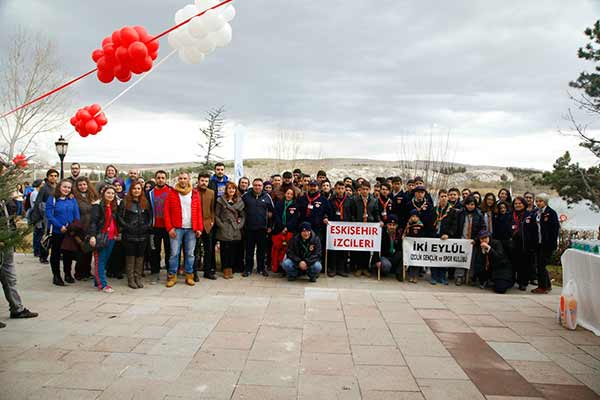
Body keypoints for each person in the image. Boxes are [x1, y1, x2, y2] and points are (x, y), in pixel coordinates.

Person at [0, 197, 38, 328]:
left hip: (7, 241)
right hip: (2, 241)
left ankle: (17, 308)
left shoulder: (5, 198)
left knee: (10, 277)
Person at [164, 172, 204, 287]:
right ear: (178, 180)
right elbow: (166, 212)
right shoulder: (172, 194)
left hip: (191, 229)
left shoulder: (194, 194)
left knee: (190, 254)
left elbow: (198, 212)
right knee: (174, 254)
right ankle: (172, 276)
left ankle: (189, 276)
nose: (182, 180)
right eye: (180, 178)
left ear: (189, 179)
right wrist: (169, 228)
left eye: (185, 178)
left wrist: (199, 228)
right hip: (176, 229)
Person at [443, 196, 485, 286]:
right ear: (465, 205)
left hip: (473, 241)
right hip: (461, 240)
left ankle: (470, 277)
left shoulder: (479, 215)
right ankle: (459, 277)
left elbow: (482, 229)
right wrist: (449, 234)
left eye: (472, 204)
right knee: (460, 259)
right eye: (468, 204)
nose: (470, 206)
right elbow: (455, 226)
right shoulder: (460, 213)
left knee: (472, 260)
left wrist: (476, 239)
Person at [117, 182, 152, 289]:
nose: (136, 190)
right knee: (130, 257)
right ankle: (131, 279)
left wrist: (147, 226)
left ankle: (138, 278)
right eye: (134, 189)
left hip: (142, 235)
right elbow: (119, 217)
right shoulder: (125, 202)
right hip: (129, 235)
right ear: (131, 190)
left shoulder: (145, 202)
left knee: (140, 257)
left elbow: (150, 217)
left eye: (138, 188)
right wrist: (127, 226)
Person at [46, 179, 80, 286]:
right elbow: (49, 215)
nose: (66, 189)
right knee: (55, 254)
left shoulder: (72, 199)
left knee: (68, 254)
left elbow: (76, 214)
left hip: (69, 232)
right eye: (64, 187)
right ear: (59, 187)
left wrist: (74, 226)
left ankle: (68, 273)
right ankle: (56, 275)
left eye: (69, 188)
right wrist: (59, 226)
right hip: (57, 231)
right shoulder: (53, 199)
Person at [525, 193, 559, 294]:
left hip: (547, 244)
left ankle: (542, 287)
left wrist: (551, 244)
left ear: (545, 202)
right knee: (540, 265)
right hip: (538, 243)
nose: (538, 203)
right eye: (537, 201)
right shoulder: (536, 212)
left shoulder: (551, 213)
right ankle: (547, 285)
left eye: (541, 201)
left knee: (541, 265)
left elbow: (554, 230)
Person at [89, 186, 119, 293]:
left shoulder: (113, 206)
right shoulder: (97, 206)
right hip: (101, 236)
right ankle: (103, 284)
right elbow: (93, 222)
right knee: (100, 260)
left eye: (112, 193)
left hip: (111, 237)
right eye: (108, 193)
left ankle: (98, 280)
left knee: (105, 259)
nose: (110, 195)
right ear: (103, 193)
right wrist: (92, 236)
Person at [242, 178, 273, 277]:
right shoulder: (246, 196)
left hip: (262, 229)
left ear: (262, 186)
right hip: (249, 228)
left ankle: (261, 268)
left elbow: (272, 212)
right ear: (252, 185)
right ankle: (248, 269)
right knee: (249, 250)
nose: (257, 187)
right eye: (255, 185)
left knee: (262, 250)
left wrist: (270, 226)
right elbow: (240, 210)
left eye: (259, 185)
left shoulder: (267, 197)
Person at [215, 182, 245, 278]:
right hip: (225, 227)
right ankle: (225, 269)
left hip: (235, 228)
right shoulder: (220, 201)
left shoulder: (240, 201)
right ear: (226, 190)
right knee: (224, 249)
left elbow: (243, 216)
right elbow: (216, 215)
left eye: (233, 188)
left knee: (233, 249)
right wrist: (222, 225)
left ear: (236, 190)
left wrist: (239, 225)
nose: (231, 190)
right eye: (229, 188)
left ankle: (232, 268)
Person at [72, 177, 99, 280]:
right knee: (81, 251)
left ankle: (87, 272)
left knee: (89, 251)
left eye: (84, 184)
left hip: (91, 226)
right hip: (80, 227)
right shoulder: (74, 198)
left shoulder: (92, 196)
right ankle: (79, 273)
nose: (82, 187)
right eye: (80, 185)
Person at [351, 180, 379, 277]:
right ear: (360, 189)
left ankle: (365, 268)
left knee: (367, 249)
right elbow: (352, 214)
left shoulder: (374, 200)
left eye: (367, 189)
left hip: (369, 228)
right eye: (363, 189)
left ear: (370, 190)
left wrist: (379, 223)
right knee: (359, 248)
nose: (365, 191)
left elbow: (376, 214)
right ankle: (359, 268)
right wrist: (355, 224)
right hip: (358, 228)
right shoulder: (355, 199)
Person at [297, 180, 331, 257]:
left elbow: (328, 212)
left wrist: (326, 217)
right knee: (302, 248)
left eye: (314, 186)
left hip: (317, 229)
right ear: (308, 187)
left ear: (318, 187)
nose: (312, 188)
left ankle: (316, 265)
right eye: (311, 186)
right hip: (303, 228)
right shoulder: (302, 199)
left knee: (315, 248)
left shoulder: (323, 200)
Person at [32, 169, 59, 264]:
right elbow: (39, 202)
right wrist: (38, 217)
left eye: (55, 176)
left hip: (56, 215)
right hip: (46, 215)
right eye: (51, 175)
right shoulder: (44, 188)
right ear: (48, 177)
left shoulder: (58, 187)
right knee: (46, 235)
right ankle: (43, 256)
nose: (53, 177)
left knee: (55, 235)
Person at [328, 181, 354, 277]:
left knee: (343, 249)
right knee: (333, 248)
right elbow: (328, 211)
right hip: (334, 227)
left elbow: (352, 213)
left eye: (342, 188)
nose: (340, 190)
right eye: (338, 188)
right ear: (335, 189)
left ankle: (341, 269)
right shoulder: (331, 200)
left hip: (345, 228)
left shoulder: (349, 200)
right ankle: (332, 268)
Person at [148, 170, 171, 280]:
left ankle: (169, 272)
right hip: (154, 227)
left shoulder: (171, 191)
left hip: (168, 227)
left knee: (169, 250)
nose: (160, 180)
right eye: (158, 177)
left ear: (166, 179)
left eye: (163, 177)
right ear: (155, 179)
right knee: (154, 250)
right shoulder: (150, 193)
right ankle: (155, 272)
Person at [271, 188, 299, 273]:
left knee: (287, 249)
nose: (289, 195)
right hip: (279, 230)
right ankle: (276, 267)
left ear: (293, 196)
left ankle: (285, 267)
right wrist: (282, 227)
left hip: (290, 231)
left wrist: (287, 228)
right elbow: (277, 216)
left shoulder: (295, 205)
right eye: (288, 193)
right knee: (277, 249)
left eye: (291, 194)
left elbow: (295, 219)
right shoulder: (279, 203)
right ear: (285, 194)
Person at [195, 173, 216, 281]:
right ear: (198, 181)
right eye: (202, 180)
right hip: (196, 225)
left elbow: (213, 209)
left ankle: (207, 272)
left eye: (206, 181)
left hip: (208, 225)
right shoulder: (193, 192)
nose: (204, 183)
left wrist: (212, 221)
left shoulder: (211, 193)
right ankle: (193, 273)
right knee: (195, 250)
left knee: (209, 250)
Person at [372, 214, 403, 280]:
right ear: (387, 225)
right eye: (390, 225)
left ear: (397, 226)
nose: (392, 227)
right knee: (386, 266)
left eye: (394, 225)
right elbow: (377, 248)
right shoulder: (382, 234)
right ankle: (380, 270)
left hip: (393, 256)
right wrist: (377, 260)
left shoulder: (399, 235)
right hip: (384, 256)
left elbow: (400, 248)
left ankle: (398, 273)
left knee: (402, 254)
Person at [510, 197, 530, 291]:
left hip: (524, 243)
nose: (517, 205)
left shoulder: (529, 215)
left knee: (524, 264)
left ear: (524, 204)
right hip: (512, 242)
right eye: (516, 203)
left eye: (520, 203)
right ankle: (512, 280)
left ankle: (523, 282)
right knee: (513, 262)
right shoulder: (511, 214)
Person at [432, 189, 452, 285]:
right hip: (435, 236)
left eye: (445, 196)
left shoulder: (452, 211)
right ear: (438, 198)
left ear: (447, 198)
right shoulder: (434, 209)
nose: (443, 198)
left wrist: (448, 234)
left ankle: (442, 277)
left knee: (444, 258)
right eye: (441, 196)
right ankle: (434, 276)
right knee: (434, 257)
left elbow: (455, 225)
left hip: (446, 238)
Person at [403, 210, 424, 283]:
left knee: (416, 262)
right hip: (410, 246)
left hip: (418, 246)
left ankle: (416, 276)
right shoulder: (408, 224)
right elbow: (406, 233)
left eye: (416, 217)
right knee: (411, 261)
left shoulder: (421, 225)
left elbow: (422, 235)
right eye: (413, 216)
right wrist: (404, 236)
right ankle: (411, 276)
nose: (414, 218)